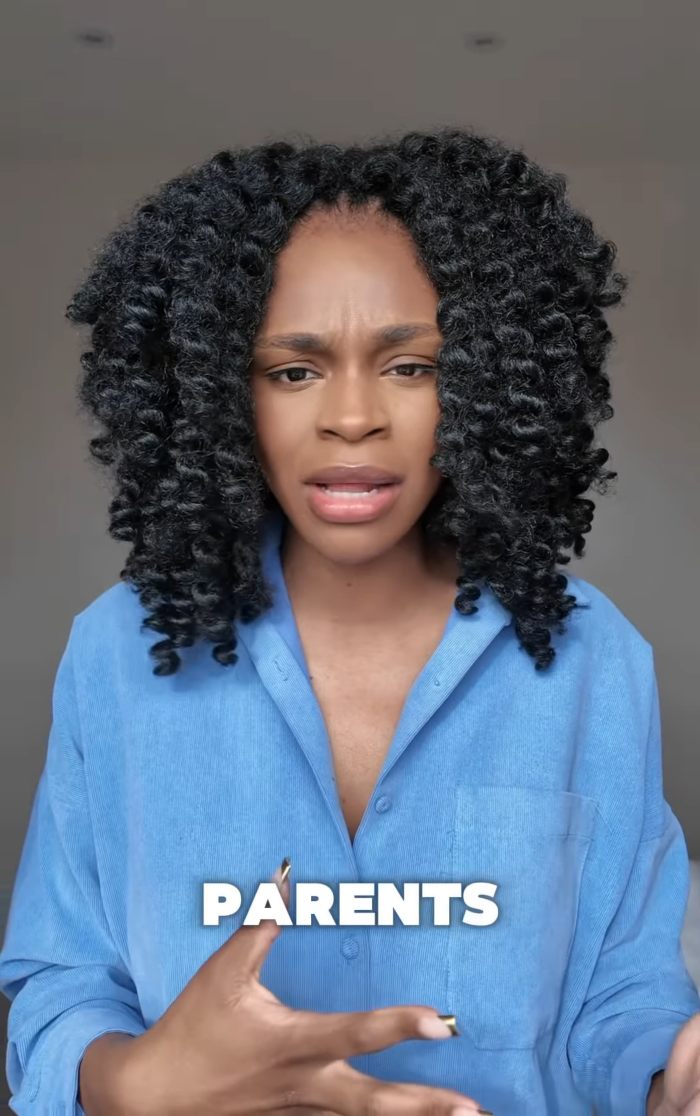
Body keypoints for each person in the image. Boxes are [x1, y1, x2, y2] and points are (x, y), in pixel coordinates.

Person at [0, 126, 699, 1116]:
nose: (354, 416)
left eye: (410, 366)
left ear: (487, 382)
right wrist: (134, 1080)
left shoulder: (593, 657)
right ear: (217, 394)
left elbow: (618, 997)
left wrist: (670, 1078)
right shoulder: (117, 653)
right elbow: (60, 984)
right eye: (294, 371)